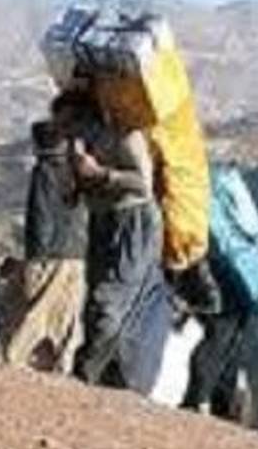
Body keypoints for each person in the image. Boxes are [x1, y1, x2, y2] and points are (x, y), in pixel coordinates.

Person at [49, 89, 173, 392]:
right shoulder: (77, 146)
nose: (65, 132)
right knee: (95, 298)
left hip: (133, 222)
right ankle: (106, 376)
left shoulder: (124, 136)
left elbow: (142, 185)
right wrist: (73, 178)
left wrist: (101, 173)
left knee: (110, 299)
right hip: (101, 221)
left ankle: (87, 373)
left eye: (68, 124)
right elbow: (71, 196)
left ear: (85, 117)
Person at [0, 119, 89, 373]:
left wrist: (35, 256)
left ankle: (16, 361)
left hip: (49, 256)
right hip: (77, 255)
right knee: (64, 316)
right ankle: (61, 365)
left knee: (34, 312)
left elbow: (41, 217)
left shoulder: (45, 171)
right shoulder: (77, 170)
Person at [180, 251, 257, 422]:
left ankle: (197, 402)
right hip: (242, 296)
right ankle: (217, 408)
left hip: (226, 297)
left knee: (212, 351)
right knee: (226, 353)